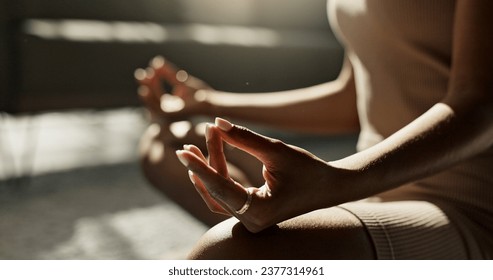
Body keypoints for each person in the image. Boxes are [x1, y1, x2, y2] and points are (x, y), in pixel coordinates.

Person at [136, 0, 493, 259]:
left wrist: (336, 181)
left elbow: (483, 107)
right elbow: (351, 98)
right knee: (168, 145)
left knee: (223, 255)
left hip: (466, 207)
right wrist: (209, 102)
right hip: (373, 186)